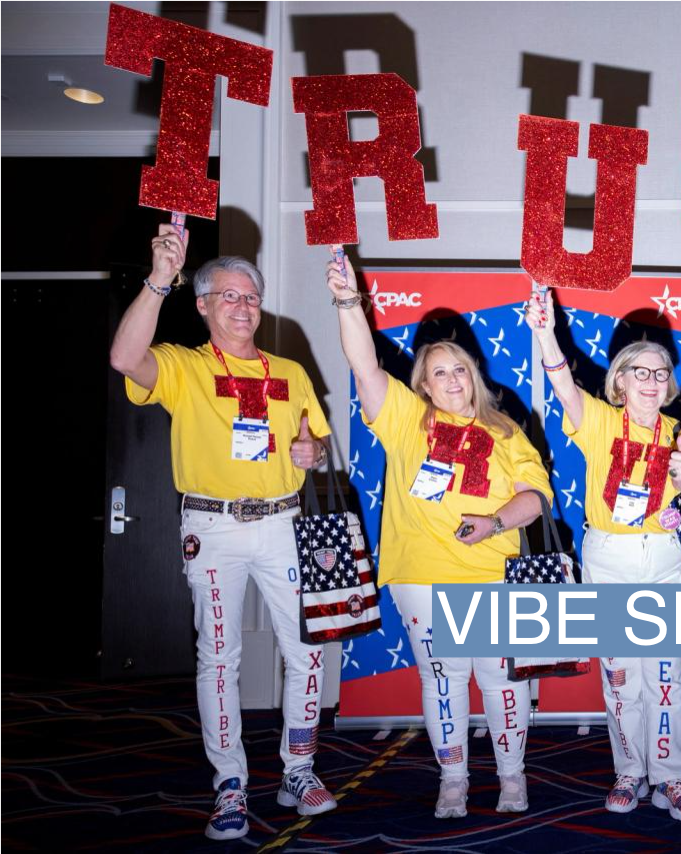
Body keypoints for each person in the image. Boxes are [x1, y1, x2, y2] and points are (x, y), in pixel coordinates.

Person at [109, 225, 337, 840]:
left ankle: (299, 768)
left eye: (251, 297)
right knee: (220, 657)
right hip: (213, 527)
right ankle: (230, 785)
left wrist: (310, 451)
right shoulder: (183, 366)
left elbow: (313, 445)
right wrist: (159, 280)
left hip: (283, 524)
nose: (244, 306)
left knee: (308, 649)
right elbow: (126, 359)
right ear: (203, 304)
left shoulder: (289, 369)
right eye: (229, 296)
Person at [326, 251, 552, 819]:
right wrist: (349, 301)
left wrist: (495, 522)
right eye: (439, 371)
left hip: (491, 575)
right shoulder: (404, 417)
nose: (451, 379)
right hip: (421, 575)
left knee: (499, 678)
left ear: (472, 375)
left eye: (459, 369)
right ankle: (453, 779)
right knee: (443, 678)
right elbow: (363, 364)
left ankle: (511, 778)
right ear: (422, 384)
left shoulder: (505, 430)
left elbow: (536, 499)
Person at [523, 287, 681, 821]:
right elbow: (560, 380)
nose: (652, 382)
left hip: (665, 558)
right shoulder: (600, 421)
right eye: (640, 372)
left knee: (666, 675)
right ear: (620, 380)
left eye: (660, 373)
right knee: (621, 674)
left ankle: (672, 777)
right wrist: (543, 330)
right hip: (609, 557)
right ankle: (630, 770)